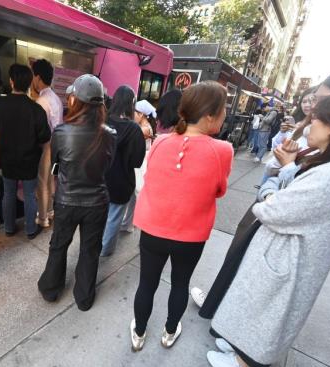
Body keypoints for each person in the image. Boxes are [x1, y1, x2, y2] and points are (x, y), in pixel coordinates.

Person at [206, 85, 330, 367]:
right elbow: (293, 192)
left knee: (266, 312)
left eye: (317, 118)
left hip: (286, 260)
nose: (309, 123)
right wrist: (285, 173)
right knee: (256, 309)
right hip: (284, 255)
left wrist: (268, 189)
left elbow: (273, 208)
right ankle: (240, 348)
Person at [190, 70, 330, 312]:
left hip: (280, 230)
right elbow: (278, 169)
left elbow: (281, 202)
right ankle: (223, 306)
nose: (313, 107)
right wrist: (281, 168)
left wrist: (282, 174)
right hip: (273, 212)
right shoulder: (310, 136)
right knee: (241, 257)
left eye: (322, 100)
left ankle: (227, 315)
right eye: (311, 99)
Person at [129, 82, 233, 352]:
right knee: (180, 283)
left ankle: (139, 333)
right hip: (191, 235)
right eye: (223, 110)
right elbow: (220, 191)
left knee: (147, 283)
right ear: (210, 116)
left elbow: (152, 179)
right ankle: (169, 332)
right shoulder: (222, 150)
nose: (225, 116)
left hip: (153, 229)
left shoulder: (162, 141)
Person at [37, 74, 116, 311]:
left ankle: (51, 290)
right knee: (90, 251)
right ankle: (84, 298)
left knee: (58, 245)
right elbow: (107, 169)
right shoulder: (110, 135)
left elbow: (57, 164)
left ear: (75, 101)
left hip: (67, 201)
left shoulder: (61, 132)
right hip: (97, 203)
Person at [0, 63, 51, 239]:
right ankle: (30, 230)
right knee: (30, 194)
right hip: (29, 159)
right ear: (30, 83)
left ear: (11, 81)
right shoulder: (36, 109)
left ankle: (9, 228)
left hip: (7, 157)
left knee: (8, 193)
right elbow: (45, 136)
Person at [100, 86, 146, 257]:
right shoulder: (134, 129)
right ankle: (105, 250)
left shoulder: (102, 122)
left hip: (99, 178)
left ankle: (92, 244)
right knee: (113, 218)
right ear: (131, 104)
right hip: (121, 181)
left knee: (99, 215)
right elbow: (137, 161)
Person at [31, 59, 63, 228]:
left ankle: (43, 217)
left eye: (33, 76)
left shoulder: (41, 102)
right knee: (52, 180)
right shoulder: (56, 98)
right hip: (58, 147)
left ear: (37, 77)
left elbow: (39, 131)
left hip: (46, 147)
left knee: (43, 182)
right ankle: (51, 211)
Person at [119, 100, 157, 233]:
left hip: (139, 167)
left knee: (135, 194)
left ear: (141, 115)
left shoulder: (144, 129)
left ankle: (131, 223)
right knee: (132, 196)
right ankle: (128, 223)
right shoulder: (144, 127)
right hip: (139, 164)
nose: (133, 115)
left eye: (135, 112)